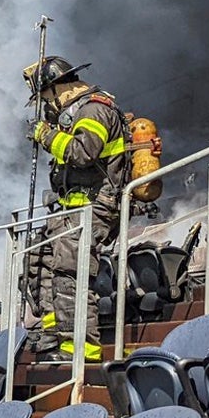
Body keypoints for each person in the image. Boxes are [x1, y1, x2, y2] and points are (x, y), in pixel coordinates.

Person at [22, 56, 128, 361]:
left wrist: (46, 135)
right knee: (36, 259)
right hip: (70, 208)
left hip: (95, 207)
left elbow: (82, 153)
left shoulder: (94, 109)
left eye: (45, 98)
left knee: (70, 272)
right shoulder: (74, 113)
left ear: (58, 88)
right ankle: (52, 333)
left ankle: (80, 348)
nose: (46, 105)